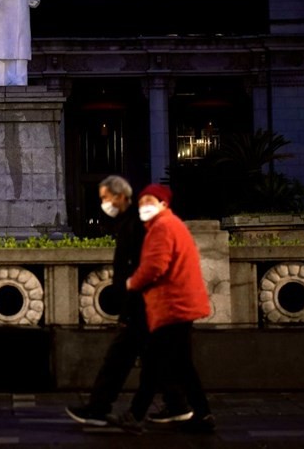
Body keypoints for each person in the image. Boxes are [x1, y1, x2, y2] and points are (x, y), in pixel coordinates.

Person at [65, 176, 193, 428]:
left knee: (120, 358)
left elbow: (145, 265)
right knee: (153, 358)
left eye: (106, 197)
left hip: (144, 305)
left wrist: (131, 300)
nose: (104, 203)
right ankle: (177, 405)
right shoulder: (130, 222)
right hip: (147, 304)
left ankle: (100, 408)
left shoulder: (137, 223)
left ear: (121, 196)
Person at [106, 183, 215, 435]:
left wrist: (131, 283)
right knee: (181, 365)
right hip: (180, 304)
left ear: (164, 205)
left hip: (172, 306)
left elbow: (155, 266)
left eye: (150, 202)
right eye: (142, 202)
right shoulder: (172, 224)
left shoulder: (162, 227)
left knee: (154, 363)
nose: (144, 206)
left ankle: (135, 415)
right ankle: (203, 413)